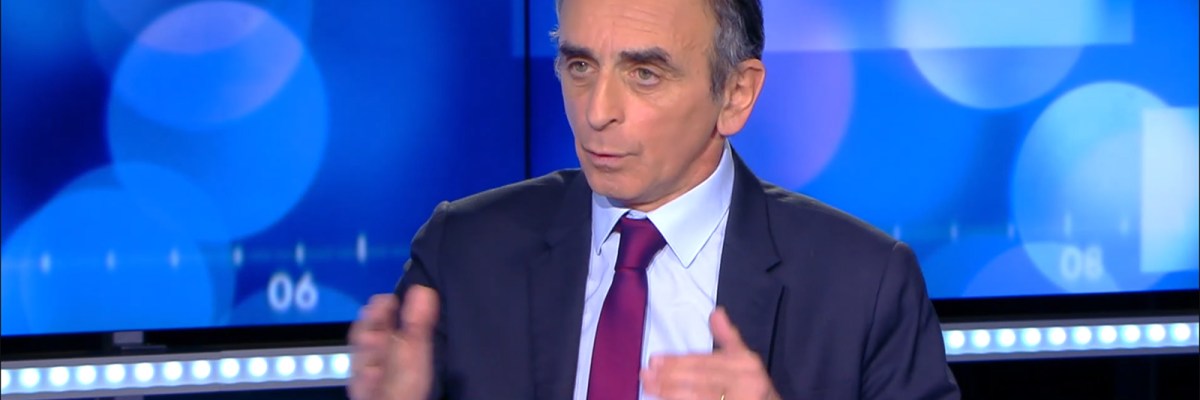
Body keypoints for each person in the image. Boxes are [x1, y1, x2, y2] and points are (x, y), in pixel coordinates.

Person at [348, 0, 960, 398]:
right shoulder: (463, 254)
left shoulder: (863, 288)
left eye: (644, 73)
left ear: (736, 95)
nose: (597, 111)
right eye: (580, 66)